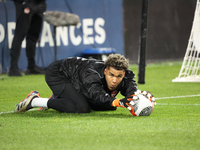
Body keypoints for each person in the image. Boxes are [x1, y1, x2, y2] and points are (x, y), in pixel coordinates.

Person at [14, 54, 154, 115]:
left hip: (77, 80)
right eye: (111, 75)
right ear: (105, 70)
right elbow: (96, 93)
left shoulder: (125, 75)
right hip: (59, 73)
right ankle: (35, 100)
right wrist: (119, 102)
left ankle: (63, 96)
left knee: (107, 107)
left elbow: (130, 85)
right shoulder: (92, 73)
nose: (114, 80)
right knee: (81, 108)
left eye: (119, 76)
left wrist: (136, 96)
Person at [9, 0, 46, 76]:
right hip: (26, 3)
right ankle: (13, 68)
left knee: (33, 36)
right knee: (19, 35)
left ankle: (31, 67)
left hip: (40, 3)